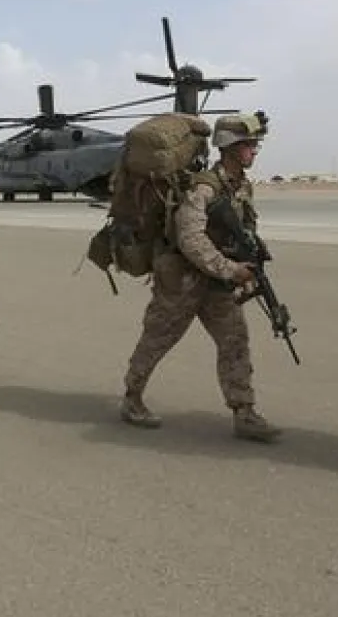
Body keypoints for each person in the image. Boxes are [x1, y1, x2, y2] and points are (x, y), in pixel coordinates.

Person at [119, 113, 281, 441]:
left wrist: (249, 257)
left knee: (235, 340)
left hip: (217, 282)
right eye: (248, 145)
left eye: (254, 145)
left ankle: (244, 411)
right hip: (183, 279)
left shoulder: (242, 186)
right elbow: (190, 239)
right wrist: (230, 269)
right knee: (158, 339)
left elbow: (240, 228)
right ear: (231, 147)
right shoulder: (204, 187)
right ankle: (132, 397)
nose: (253, 151)